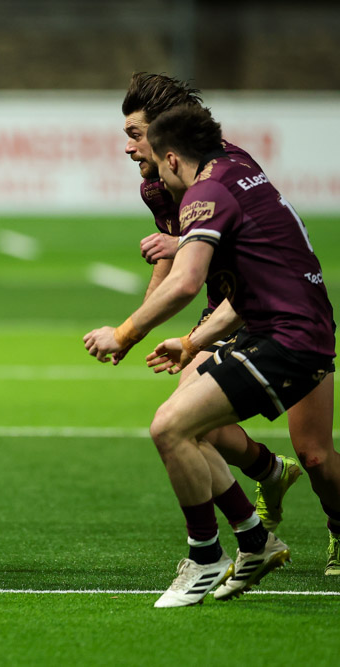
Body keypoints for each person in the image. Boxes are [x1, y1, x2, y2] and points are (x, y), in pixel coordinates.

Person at [84, 105, 336, 606]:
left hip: (287, 338)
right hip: (278, 327)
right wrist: (191, 343)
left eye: (149, 152)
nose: (154, 175)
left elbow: (185, 282)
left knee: (169, 427)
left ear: (172, 158)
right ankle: (256, 541)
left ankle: (206, 558)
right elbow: (246, 293)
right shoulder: (237, 170)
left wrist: (125, 333)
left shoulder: (206, 192)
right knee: (187, 425)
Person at [120, 73, 306, 537]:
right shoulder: (156, 186)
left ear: (166, 137)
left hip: (283, 310)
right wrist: (138, 325)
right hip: (227, 306)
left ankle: (306, 529)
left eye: (135, 134)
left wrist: (126, 332)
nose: (127, 147)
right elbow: (170, 259)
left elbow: (232, 240)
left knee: (317, 455)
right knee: (183, 422)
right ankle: (266, 480)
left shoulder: (225, 169)